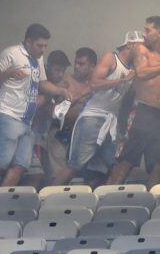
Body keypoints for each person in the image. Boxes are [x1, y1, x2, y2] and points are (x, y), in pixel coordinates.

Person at [0, 23, 73, 193]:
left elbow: (42, 83)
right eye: (39, 45)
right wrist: (7, 77)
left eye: (45, 46)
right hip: (6, 114)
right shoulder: (12, 53)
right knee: (0, 161)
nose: (43, 50)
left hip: (26, 120)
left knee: (21, 165)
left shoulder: (39, 59)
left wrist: (61, 90)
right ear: (28, 41)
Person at [107, 16, 160, 187]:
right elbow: (142, 73)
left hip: (159, 113)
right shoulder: (140, 49)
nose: (144, 34)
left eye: (148, 30)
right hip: (140, 111)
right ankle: (106, 198)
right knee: (126, 160)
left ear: (159, 32)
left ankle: (151, 203)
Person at [53, 31, 141, 186]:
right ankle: (47, 197)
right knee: (75, 164)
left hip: (110, 121)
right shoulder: (111, 58)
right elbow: (94, 83)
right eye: (140, 47)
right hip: (93, 118)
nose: (143, 51)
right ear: (130, 45)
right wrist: (121, 81)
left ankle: (107, 204)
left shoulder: (133, 67)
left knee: (113, 165)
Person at [23, 50, 72, 188]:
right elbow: (34, 108)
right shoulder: (36, 80)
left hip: (45, 138)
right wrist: (54, 91)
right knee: (34, 176)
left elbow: (55, 113)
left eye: (63, 71)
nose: (60, 74)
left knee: (47, 176)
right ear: (47, 66)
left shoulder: (59, 86)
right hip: (30, 136)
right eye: (57, 70)